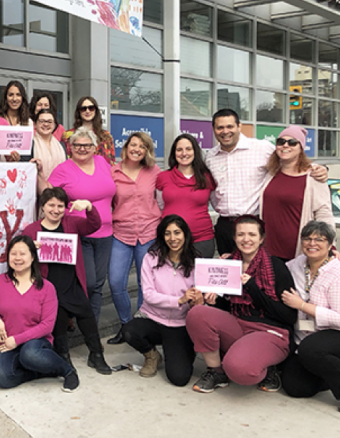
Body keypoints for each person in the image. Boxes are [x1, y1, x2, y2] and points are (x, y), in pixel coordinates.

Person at [185, 215, 297, 393]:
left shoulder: (276, 266)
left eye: (252, 235)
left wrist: (252, 287)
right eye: (241, 234)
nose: (246, 239)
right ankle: (216, 371)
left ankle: (269, 367)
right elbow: (228, 307)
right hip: (238, 324)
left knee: (239, 370)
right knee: (197, 313)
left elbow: (289, 316)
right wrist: (213, 300)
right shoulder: (229, 265)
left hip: (270, 331)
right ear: (234, 238)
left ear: (261, 239)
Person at [205, 109, 327, 255]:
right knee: (228, 273)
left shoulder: (261, 148)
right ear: (214, 129)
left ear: (239, 126)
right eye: (220, 127)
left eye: (230, 126)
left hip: (253, 225)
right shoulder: (210, 157)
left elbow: (290, 160)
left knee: (255, 273)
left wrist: (319, 168)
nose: (225, 131)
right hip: (225, 226)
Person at [280, 221, 340, 414]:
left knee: (311, 350)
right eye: (307, 238)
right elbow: (274, 269)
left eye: (320, 239)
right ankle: (328, 373)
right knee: (295, 388)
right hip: (310, 336)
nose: (312, 243)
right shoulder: (297, 264)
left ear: (330, 245)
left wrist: (303, 306)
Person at [22, 188, 111, 375]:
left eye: (60, 206)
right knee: (59, 318)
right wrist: (31, 250)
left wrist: (89, 206)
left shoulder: (72, 222)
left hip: (72, 280)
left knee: (86, 313)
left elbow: (94, 225)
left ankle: (96, 354)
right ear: (43, 207)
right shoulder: (32, 230)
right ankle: (63, 356)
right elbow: (21, 258)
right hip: (49, 285)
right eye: (51, 205)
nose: (55, 210)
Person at [0, 235, 81, 391]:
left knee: (30, 354)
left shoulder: (46, 287)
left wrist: (17, 340)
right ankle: (37, 373)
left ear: (32, 257)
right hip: (8, 343)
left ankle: (67, 371)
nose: (17, 258)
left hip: (35, 342)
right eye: (13, 254)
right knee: (1, 378)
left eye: (22, 253)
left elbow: (46, 326)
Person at [122, 215, 200, 386]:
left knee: (179, 378)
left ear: (185, 234)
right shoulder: (151, 258)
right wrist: (179, 300)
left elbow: (199, 300)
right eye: (168, 233)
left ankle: (185, 351)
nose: (173, 238)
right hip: (153, 319)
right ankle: (152, 355)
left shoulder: (196, 262)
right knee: (128, 331)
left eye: (177, 233)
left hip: (181, 324)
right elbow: (148, 294)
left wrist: (197, 300)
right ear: (162, 236)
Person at [47, 127, 114, 324]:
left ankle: (91, 329)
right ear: (70, 147)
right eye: (77, 145)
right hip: (79, 234)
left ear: (95, 147)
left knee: (99, 284)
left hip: (106, 233)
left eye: (87, 145)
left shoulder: (102, 163)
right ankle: (72, 314)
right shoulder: (64, 169)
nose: (82, 149)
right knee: (89, 283)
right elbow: (49, 196)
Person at [107, 131, 162, 344]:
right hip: (120, 233)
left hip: (148, 233)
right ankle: (125, 323)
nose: (137, 149)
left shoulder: (154, 171)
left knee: (144, 282)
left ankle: (139, 326)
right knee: (115, 281)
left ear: (147, 150)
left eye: (142, 146)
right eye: (134, 145)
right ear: (126, 147)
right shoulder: (114, 172)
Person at [259, 126, 334, 261]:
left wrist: (330, 246)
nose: (285, 145)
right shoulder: (271, 173)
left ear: (301, 148)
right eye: (281, 142)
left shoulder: (313, 176)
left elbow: (324, 213)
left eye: (292, 142)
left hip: (297, 251)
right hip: (268, 249)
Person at [157, 134, 217, 258]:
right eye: (179, 150)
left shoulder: (206, 177)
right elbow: (160, 205)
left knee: (200, 277)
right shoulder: (163, 177)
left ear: (195, 151)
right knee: (173, 276)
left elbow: (215, 202)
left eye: (188, 149)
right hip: (172, 240)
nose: (184, 153)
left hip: (202, 239)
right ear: (174, 153)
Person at [63, 96, 115, 166]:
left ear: (95, 111)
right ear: (79, 112)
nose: (87, 111)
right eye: (83, 109)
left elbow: (111, 162)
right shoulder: (68, 135)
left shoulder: (106, 136)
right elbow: (66, 160)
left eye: (91, 108)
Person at [30, 109, 67, 194]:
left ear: (54, 125)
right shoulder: (30, 145)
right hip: (35, 195)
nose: (46, 124)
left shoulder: (61, 146)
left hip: (60, 195)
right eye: (42, 121)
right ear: (35, 124)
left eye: (49, 121)